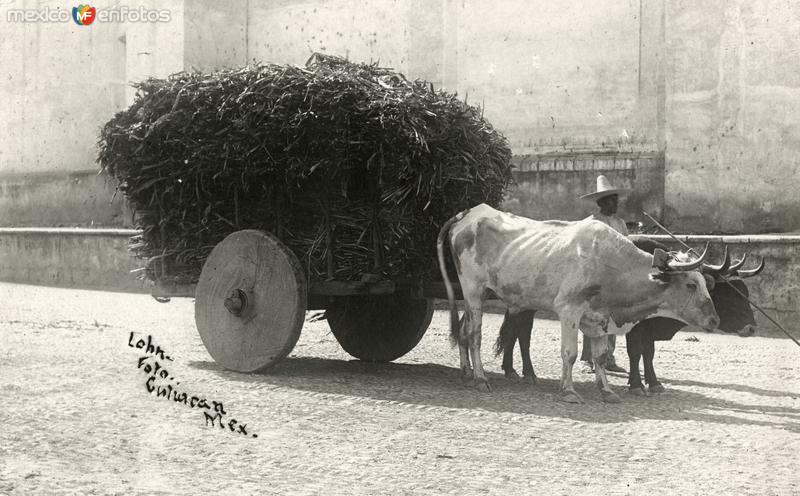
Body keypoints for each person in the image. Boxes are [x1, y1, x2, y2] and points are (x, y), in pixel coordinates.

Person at [578, 175, 630, 374]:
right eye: (611, 200)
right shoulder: (590, 223)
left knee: (612, 318)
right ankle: (587, 358)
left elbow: (628, 249)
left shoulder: (620, 224)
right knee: (590, 317)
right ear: (601, 202)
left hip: (615, 278)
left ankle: (608, 357)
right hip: (595, 277)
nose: (615, 203)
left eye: (616, 199)